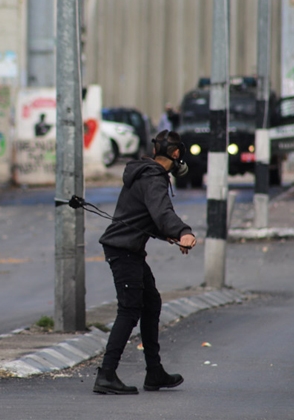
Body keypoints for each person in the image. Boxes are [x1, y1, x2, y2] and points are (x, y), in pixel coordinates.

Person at [94, 130, 197, 395]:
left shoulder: (142, 172)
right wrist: (183, 232)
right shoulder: (154, 178)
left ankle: (154, 373)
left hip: (129, 250)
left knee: (151, 303)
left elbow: (148, 217)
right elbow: (162, 212)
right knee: (129, 310)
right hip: (123, 250)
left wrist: (172, 235)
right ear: (176, 154)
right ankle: (106, 374)